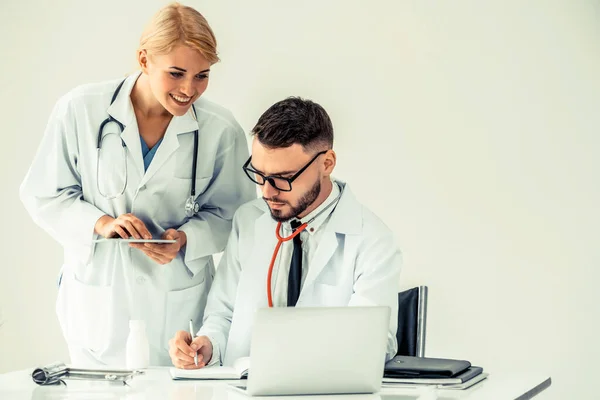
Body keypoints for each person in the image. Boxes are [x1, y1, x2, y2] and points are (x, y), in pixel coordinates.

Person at [19, 2, 255, 366]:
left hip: (177, 304)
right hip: (100, 303)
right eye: (176, 73)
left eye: (202, 76)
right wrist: (102, 223)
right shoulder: (80, 110)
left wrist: (186, 239)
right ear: (144, 59)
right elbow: (44, 193)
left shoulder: (221, 130)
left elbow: (234, 216)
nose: (189, 89)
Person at [168, 97, 402, 369]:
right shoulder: (249, 220)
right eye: (260, 174)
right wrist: (207, 346)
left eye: (284, 179)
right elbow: (222, 314)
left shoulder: (373, 241)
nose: (267, 192)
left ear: (326, 163)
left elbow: (372, 343)